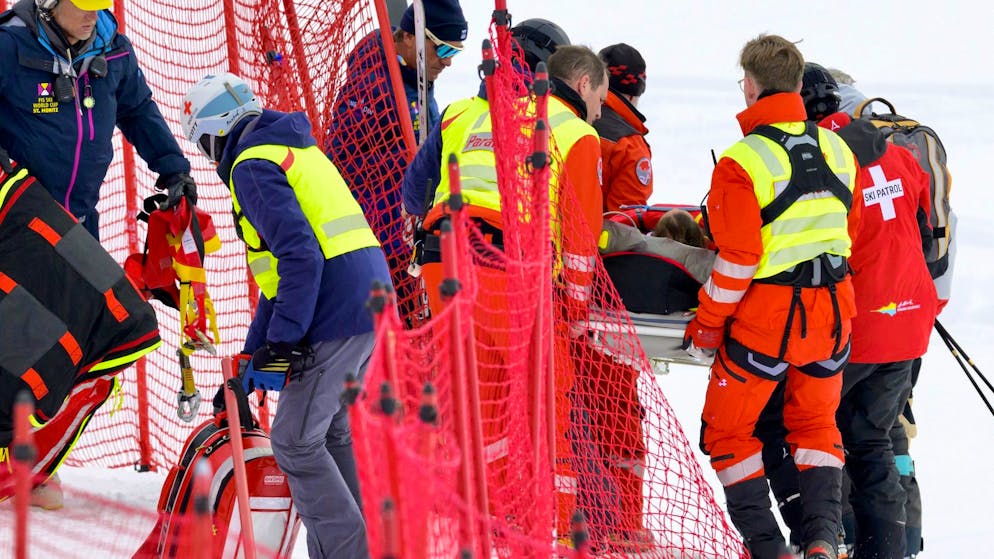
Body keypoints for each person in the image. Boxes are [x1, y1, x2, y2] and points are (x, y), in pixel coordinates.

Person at [182, 72, 391, 559]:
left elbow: (301, 257)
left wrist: (283, 343)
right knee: (327, 432)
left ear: (216, 133)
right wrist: (257, 356)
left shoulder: (250, 166)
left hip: (334, 310)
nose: (212, 159)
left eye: (206, 146)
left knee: (295, 442)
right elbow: (280, 281)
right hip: (366, 304)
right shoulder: (291, 148)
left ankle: (350, 553)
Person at [682, 35, 862, 559]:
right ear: (799, 85)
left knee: (727, 434)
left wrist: (708, 325)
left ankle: (767, 549)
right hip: (834, 314)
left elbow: (737, 261)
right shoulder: (838, 150)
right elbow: (847, 232)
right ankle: (823, 543)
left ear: (750, 86)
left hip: (769, 321)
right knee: (816, 429)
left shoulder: (742, 161)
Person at [807, 65, 938, 559]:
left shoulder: (821, 164)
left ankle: (836, 540)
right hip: (909, 321)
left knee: (821, 436)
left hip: (858, 326)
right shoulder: (902, 156)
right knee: (876, 440)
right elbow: (925, 235)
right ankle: (890, 548)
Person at [0, 0, 196, 240]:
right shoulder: (9, 45)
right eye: (84, 6)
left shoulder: (115, 50)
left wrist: (174, 169)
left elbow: (138, 111)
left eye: (99, 5)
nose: (92, 15)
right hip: (14, 222)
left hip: (79, 223)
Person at [326, 0, 467, 326]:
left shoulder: (415, 84)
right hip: (380, 245)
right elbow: (342, 159)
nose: (447, 64)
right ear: (409, 38)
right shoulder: (374, 86)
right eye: (443, 51)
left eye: (454, 54)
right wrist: (407, 163)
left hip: (406, 239)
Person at [593, 43, 653, 211]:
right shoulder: (629, 145)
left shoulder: (572, 117)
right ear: (637, 91)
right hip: (597, 235)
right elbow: (626, 220)